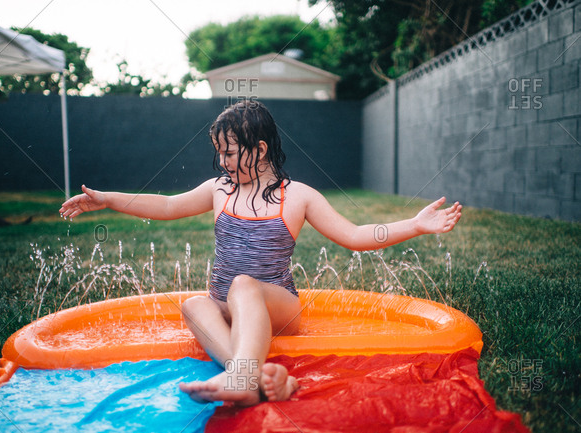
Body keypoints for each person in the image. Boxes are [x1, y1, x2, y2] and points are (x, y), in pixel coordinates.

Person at [59, 100, 462, 407]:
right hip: (226, 307)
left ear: (261, 148)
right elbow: (166, 206)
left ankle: (239, 374)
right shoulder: (220, 190)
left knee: (244, 285)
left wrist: (415, 224)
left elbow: (355, 234)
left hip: (277, 308)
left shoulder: (297, 196)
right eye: (219, 153)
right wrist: (110, 199)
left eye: (230, 152)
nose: (223, 161)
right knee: (195, 304)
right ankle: (259, 384)